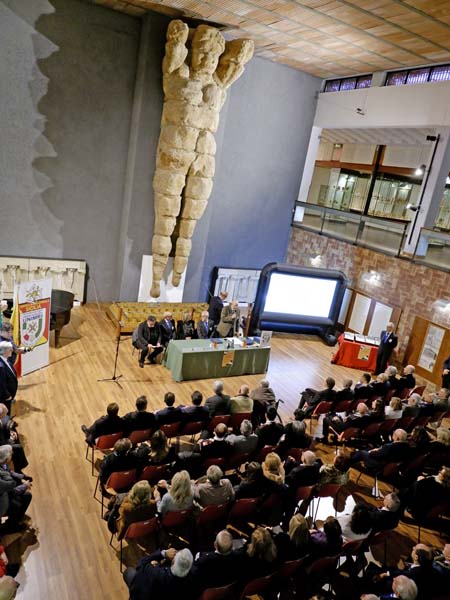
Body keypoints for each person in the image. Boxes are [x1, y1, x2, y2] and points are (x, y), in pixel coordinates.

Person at [124, 547, 195, 600]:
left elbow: (141, 564)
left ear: (173, 561)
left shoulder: (153, 572)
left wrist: (163, 554)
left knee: (129, 571)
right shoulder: (190, 585)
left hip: (141, 595)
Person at [0, 445, 32, 529]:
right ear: (6, 459)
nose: (13, 454)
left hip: (5, 493)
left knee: (24, 496)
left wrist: (22, 477)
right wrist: (25, 486)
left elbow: (9, 472)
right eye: (11, 454)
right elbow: (12, 491)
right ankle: (12, 525)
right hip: (2, 503)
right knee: (22, 500)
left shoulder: (2, 465)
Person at [0, 343, 18, 414]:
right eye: (10, 349)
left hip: (9, 395)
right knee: (6, 413)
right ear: (5, 351)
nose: (12, 350)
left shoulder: (5, 359)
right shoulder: (1, 367)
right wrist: (7, 396)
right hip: (5, 398)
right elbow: (1, 384)